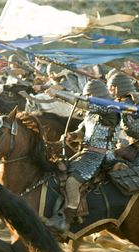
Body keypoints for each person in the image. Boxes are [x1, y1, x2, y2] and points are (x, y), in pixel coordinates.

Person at [49, 80, 122, 230]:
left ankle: (67, 219)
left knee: (72, 182)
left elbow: (84, 104)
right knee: (59, 170)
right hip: (85, 152)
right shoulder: (92, 113)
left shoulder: (111, 110)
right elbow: (82, 132)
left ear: (97, 95)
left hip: (100, 156)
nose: (86, 97)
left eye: (89, 95)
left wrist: (58, 93)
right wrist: (72, 135)